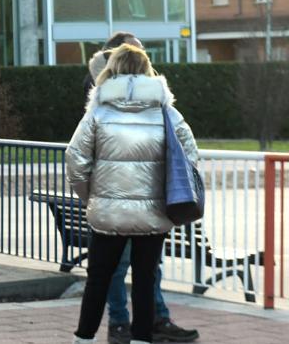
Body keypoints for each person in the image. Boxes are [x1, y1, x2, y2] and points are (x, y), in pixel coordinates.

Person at [67, 45, 200, 344]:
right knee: (145, 278)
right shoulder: (166, 111)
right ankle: (141, 338)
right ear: (146, 69)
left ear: (111, 69)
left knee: (98, 278)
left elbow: (75, 158)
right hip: (153, 213)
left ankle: (84, 338)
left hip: (107, 212)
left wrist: (91, 196)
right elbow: (190, 154)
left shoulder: (98, 111)